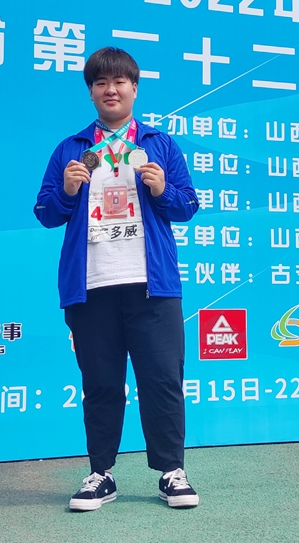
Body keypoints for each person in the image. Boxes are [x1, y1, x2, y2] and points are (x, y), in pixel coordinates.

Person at [33, 47, 201, 511]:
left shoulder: (159, 144)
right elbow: (45, 212)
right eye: (100, 83)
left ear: (134, 88)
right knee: (101, 383)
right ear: (90, 92)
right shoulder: (70, 149)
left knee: (162, 380)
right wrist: (67, 191)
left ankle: (171, 472)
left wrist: (163, 190)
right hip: (91, 285)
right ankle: (100, 474)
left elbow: (188, 205)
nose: (110, 89)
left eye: (119, 81)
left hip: (152, 285)